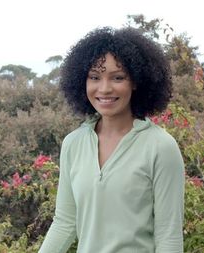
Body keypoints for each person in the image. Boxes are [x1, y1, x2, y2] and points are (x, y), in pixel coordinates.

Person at [38, 27, 185, 253]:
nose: (104, 89)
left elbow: (168, 237)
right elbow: (65, 223)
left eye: (118, 77)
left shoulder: (160, 147)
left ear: (135, 81)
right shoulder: (73, 144)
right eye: (95, 77)